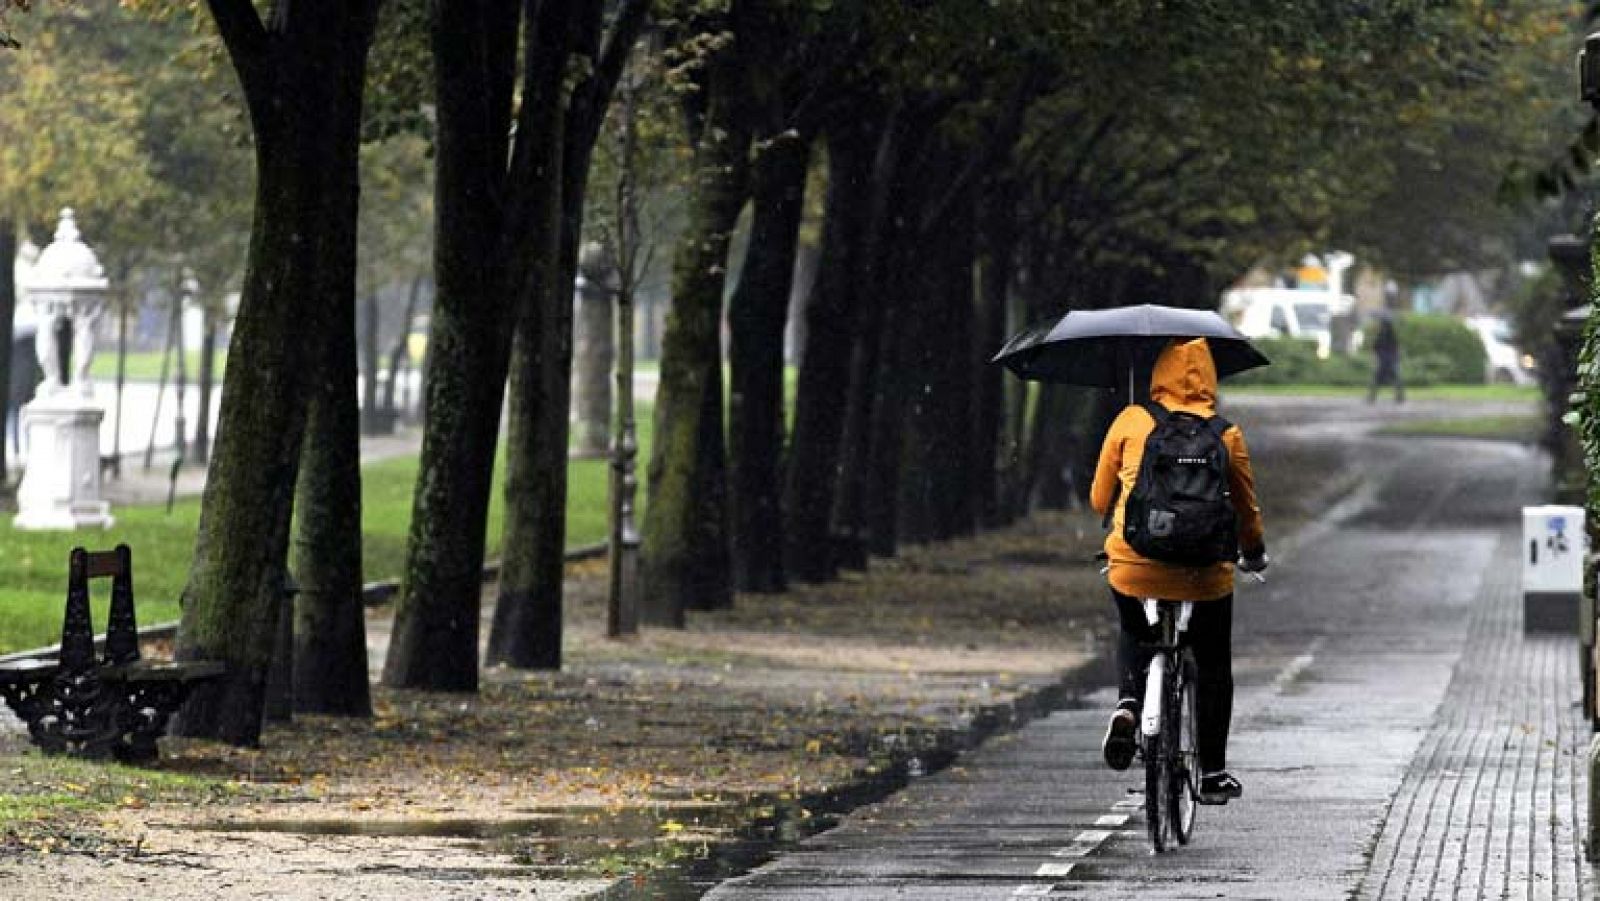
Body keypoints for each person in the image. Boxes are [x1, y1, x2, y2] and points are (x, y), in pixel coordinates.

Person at [1089, 337, 1267, 804]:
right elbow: (1245, 509)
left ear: (1159, 373)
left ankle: (1129, 704)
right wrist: (1254, 552)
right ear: (1209, 378)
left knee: (1133, 627)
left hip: (1135, 563)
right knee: (1213, 661)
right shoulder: (1226, 433)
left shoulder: (1131, 420)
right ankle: (1213, 774)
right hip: (1205, 575)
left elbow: (1098, 499)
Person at [1368, 317, 1404, 403]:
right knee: (1395, 379)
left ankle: (1372, 397)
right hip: (1390, 360)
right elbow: (1396, 349)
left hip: (1385, 360)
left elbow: (1375, 348)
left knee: (1377, 379)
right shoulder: (1391, 336)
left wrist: (1374, 358)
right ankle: (1399, 397)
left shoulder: (1382, 335)